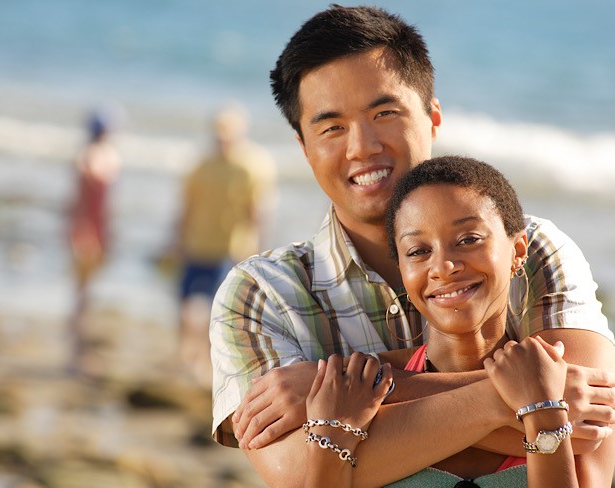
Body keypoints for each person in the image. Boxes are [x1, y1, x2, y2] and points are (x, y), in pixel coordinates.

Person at [210, 5, 615, 486]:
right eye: (332, 127)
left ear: (433, 116)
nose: (362, 147)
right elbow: (300, 474)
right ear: (303, 147)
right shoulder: (262, 294)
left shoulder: (530, 248)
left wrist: (336, 398)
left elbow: (590, 440)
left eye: (384, 113)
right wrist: (521, 400)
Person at [305, 156, 613, 486]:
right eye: (418, 251)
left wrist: (542, 409)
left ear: (518, 250)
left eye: (468, 240)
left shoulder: (570, 385)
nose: (443, 266)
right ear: (403, 274)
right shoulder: (358, 389)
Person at [170, 103, 276, 384]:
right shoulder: (202, 165)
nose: (222, 141)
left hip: (230, 250)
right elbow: (186, 206)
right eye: (219, 135)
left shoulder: (252, 166)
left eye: (227, 135)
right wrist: (176, 240)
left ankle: (204, 360)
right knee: (184, 300)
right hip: (197, 245)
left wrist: (258, 252)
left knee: (218, 310)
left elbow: (256, 213)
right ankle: (186, 353)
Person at [67, 110, 121, 374]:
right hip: (88, 231)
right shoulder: (89, 159)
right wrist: (82, 233)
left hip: (96, 230)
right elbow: (81, 203)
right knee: (82, 292)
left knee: (86, 291)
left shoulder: (100, 156)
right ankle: (75, 351)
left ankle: (78, 349)